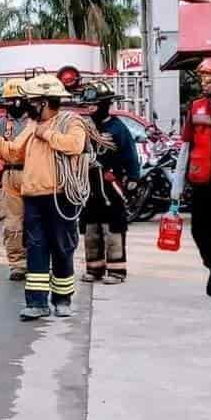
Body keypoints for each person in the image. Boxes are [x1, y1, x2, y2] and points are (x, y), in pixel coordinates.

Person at [0, 74, 87, 320]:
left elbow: (75, 145)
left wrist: (46, 134)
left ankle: (62, 300)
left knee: (62, 249)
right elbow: (13, 153)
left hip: (60, 197)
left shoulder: (71, 121)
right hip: (33, 198)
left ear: (44, 101)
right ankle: (37, 302)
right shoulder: (32, 126)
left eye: (31, 101)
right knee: (36, 248)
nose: (26, 105)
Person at [172, 57, 211, 314]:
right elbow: (185, 149)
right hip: (201, 184)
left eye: (208, 80)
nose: (203, 84)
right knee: (200, 234)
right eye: (202, 80)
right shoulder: (195, 109)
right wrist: (176, 187)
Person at [78, 82, 140, 284]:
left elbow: (130, 154)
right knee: (91, 229)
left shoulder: (117, 128)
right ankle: (94, 269)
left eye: (94, 104)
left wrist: (132, 178)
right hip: (89, 184)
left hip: (111, 185)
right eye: (88, 105)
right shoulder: (85, 128)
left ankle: (116, 271)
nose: (90, 108)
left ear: (104, 104)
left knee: (113, 228)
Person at [0, 78, 29, 281]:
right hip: (9, 174)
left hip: (32, 174)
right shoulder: (2, 123)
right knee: (13, 222)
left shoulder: (33, 120)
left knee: (36, 220)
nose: (8, 105)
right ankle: (18, 264)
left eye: (11, 100)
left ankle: (38, 261)